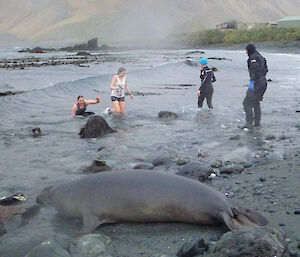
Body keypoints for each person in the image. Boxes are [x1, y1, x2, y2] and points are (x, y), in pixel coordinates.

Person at [241, 43, 268, 129]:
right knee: (256, 102)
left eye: (246, 50)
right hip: (263, 82)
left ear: (249, 50)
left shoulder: (253, 58)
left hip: (257, 83)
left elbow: (255, 71)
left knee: (247, 103)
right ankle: (257, 123)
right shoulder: (260, 56)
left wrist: (252, 83)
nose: (245, 52)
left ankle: (249, 124)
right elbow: (266, 69)